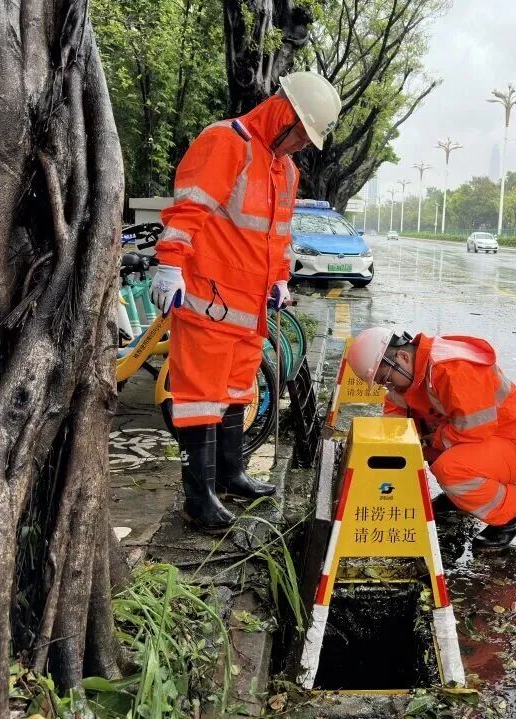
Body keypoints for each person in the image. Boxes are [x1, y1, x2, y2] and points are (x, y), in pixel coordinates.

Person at [150, 72, 342, 533]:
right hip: (209, 299)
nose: (300, 146)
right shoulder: (226, 143)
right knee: (200, 396)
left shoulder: (285, 169)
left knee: (239, 388)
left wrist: (279, 279)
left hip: (251, 308)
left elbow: (277, 236)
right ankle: (199, 498)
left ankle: (232, 475)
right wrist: (170, 262)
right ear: (284, 113)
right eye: (301, 134)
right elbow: (189, 210)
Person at [347, 327, 516, 550]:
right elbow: (397, 414)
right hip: (487, 440)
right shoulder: (413, 371)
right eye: (384, 384)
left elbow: (473, 430)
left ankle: (510, 518)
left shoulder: (453, 368)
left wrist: (431, 440)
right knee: (420, 447)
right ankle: (461, 497)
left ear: (402, 357)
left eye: (387, 379)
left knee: (451, 468)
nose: (389, 387)